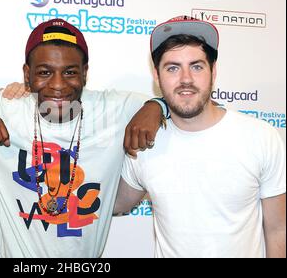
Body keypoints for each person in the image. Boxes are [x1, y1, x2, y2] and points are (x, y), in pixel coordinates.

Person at [0, 18, 168, 258]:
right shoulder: (5, 108)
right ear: (27, 74)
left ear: (85, 73)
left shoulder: (114, 109)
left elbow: (182, 102)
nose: (57, 85)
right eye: (44, 72)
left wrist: (156, 106)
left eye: (70, 72)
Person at [115, 16, 286, 258]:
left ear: (213, 71)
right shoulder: (145, 144)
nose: (186, 79)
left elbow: (279, 229)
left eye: (196, 66)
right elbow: (117, 203)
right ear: (156, 76)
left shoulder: (260, 137)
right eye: (173, 68)